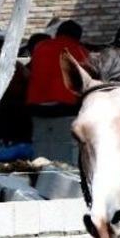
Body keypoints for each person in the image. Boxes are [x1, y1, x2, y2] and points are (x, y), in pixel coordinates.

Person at [26, 19, 88, 163]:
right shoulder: (80, 51)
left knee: (41, 148)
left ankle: (39, 176)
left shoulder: (41, 47)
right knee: (65, 151)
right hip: (65, 109)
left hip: (37, 108)